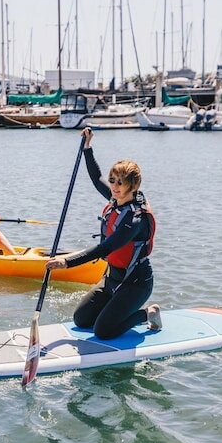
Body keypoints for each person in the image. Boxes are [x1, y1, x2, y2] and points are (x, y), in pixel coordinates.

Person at [46, 128, 160, 339]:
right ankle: (114, 309)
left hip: (136, 284)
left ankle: (147, 314)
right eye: (113, 180)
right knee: (81, 320)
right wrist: (87, 148)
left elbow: (105, 248)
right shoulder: (115, 200)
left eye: (120, 182)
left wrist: (66, 262)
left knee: (103, 331)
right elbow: (95, 177)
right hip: (111, 278)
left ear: (132, 185)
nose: (114, 187)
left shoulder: (135, 219)